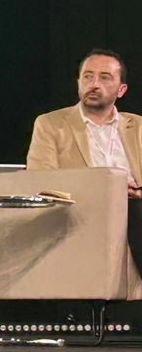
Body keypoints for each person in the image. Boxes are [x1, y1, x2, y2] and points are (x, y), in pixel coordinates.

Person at [26, 49, 142, 275]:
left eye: (104, 77)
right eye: (88, 76)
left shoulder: (138, 127)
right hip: (84, 209)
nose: (94, 84)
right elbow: (39, 179)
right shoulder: (51, 124)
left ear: (121, 90)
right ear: (79, 82)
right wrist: (102, 190)